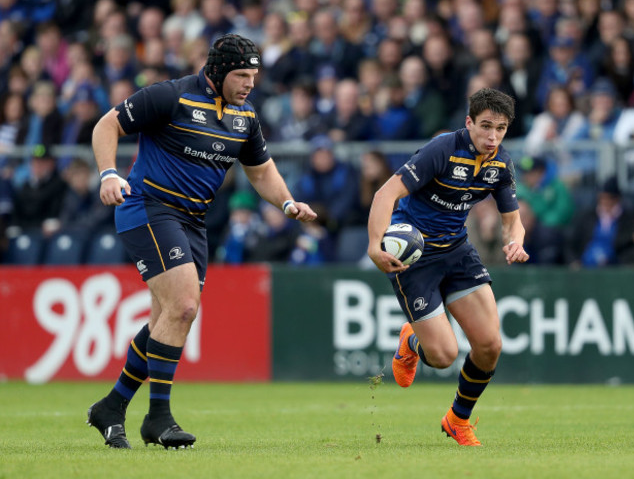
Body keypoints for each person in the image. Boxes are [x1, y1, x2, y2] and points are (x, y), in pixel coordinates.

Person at [87, 33, 317, 450]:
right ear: (218, 71)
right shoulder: (169, 97)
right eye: (242, 75)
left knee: (169, 318)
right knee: (184, 306)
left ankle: (112, 406)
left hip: (193, 222)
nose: (249, 83)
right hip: (148, 208)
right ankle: (158, 418)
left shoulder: (245, 117)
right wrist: (108, 173)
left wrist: (287, 204)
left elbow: (262, 171)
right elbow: (107, 125)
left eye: (254, 75)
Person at [367, 88, 529, 447]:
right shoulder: (442, 149)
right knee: (442, 357)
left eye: (501, 129)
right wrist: (374, 245)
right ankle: (410, 340)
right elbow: (385, 195)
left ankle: (458, 419)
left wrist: (515, 240)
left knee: (489, 346)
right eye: (485, 126)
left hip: (457, 251)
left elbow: (512, 221)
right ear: (469, 122)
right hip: (414, 258)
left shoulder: (501, 163)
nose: (492, 137)